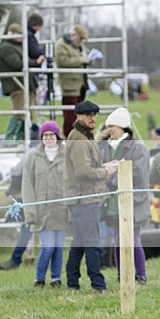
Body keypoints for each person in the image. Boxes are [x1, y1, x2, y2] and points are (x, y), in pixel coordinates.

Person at [63, 100, 118, 292]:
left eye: (95, 114)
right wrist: (106, 171)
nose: (93, 118)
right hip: (84, 200)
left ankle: (72, 281)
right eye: (89, 115)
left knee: (79, 243)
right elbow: (83, 171)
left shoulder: (82, 135)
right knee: (91, 243)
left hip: (83, 199)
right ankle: (98, 283)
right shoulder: (78, 139)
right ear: (79, 116)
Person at [98, 107, 151, 284]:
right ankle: (123, 274)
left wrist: (113, 175)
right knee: (117, 241)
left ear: (123, 127)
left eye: (113, 126)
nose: (110, 129)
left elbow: (139, 173)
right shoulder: (106, 148)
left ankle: (140, 274)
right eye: (109, 126)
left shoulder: (138, 148)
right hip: (113, 203)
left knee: (133, 240)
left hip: (133, 201)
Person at [22, 120, 67, 287]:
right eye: (45, 135)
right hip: (42, 211)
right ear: (41, 137)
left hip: (61, 210)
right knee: (48, 246)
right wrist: (30, 211)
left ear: (57, 136)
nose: (49, 138)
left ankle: (56, 278)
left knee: (58, 247)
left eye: (51, 134)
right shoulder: (32, 157)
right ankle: (39, 278)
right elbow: (27, 186)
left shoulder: (66, 155)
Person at [0, 23, 45, 144]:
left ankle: (20, 138)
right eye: (17, 34)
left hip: (26, 84)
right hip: (16, 84)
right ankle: (9, 138)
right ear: (11, 34)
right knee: (20, 112)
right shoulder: (6, 47)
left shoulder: (18, 46)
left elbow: (24, 61)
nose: (20, 37)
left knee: (28, 112)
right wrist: (35, 62)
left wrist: (34, 62)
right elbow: (17, 64)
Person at [0, 151, 33, 271]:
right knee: (26, 228)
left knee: (26, 229)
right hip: (26, 198)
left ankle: (15, 259)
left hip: (26, 197)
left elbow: (17, 173)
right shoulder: (34, 154)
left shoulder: (31, 154)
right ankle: (15, 259)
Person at [55, 25, 95, 137]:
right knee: (70, 114)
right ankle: (69, 137)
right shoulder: (61, 45)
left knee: (81, 113)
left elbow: (85, 56)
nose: (81, 41)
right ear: (74, 35)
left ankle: (80, 134)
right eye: (80, 38)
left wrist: (90, 59)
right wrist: (82, 59)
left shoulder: (79, 46)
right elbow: (63, 61)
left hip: (81, 84)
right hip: (69, 85)